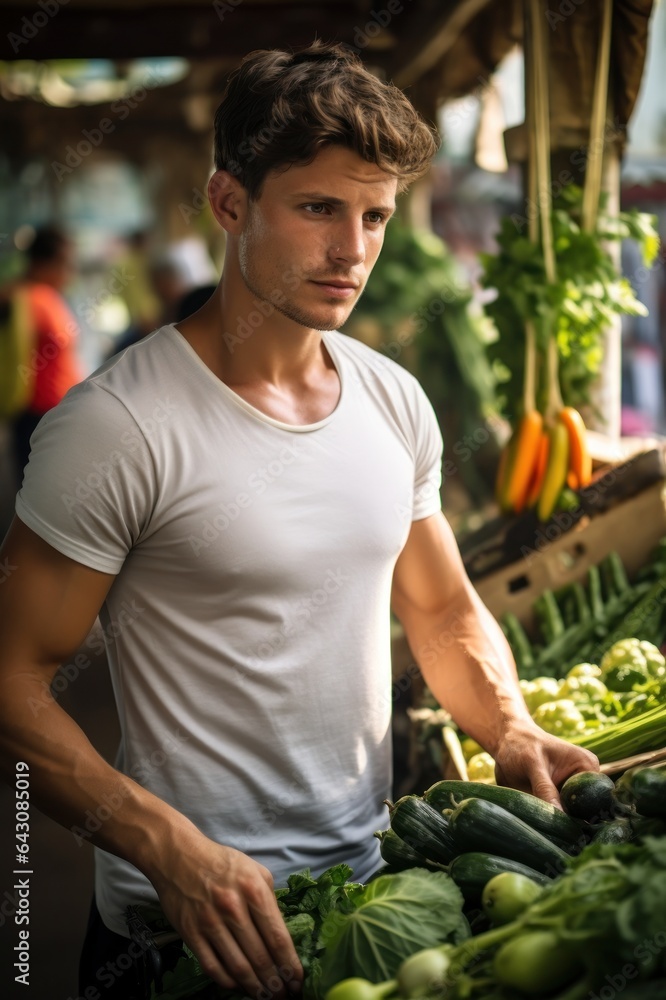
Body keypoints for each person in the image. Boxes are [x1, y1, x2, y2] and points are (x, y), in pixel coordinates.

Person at [0, 41, 598, 999]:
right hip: (177, 937)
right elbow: (13, 679)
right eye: (318, 208)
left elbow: (440, 608)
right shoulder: (116, 427)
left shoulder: (393, 401)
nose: (352, 250)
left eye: (375, 216)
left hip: (363, 904)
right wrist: (171, 851)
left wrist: (511, 728)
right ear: (229, 203)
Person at [3, 225, 83, 483]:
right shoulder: (21, 299)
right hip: (35, 420)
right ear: (44, 263)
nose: (71, 272)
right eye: (66, 263)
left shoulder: (47, 297)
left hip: (55, 416)